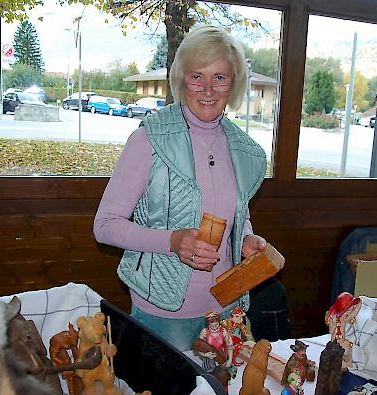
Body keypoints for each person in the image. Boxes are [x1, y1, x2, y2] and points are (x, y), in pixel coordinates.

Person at [94, 25, 278, 352]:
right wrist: (173, 241)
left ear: (233, 83)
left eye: (219, 77)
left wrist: (247, 239)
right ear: (181, 79)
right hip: (163, 312)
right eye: (197, 76)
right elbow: (105, 226)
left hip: (226, 309)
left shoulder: (243, 151)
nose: (207, 89)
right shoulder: (148, 139)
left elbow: (238, 215)